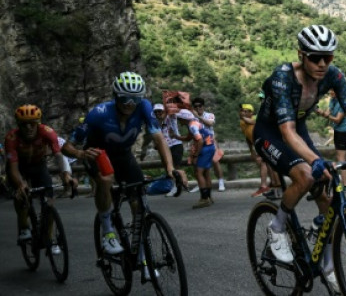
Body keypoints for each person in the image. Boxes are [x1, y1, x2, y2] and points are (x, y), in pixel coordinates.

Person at [252, 24, 346, 293]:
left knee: (327, 196)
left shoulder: (334, 76)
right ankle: (277, 226)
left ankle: (328, 268)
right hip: (271, 132)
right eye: (315, 57)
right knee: (305, 175)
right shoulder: (283, 78)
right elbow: (287, 132)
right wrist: (313, 160)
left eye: (328, 57)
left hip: (297, 129)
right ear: (301, 55)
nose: (321, 63)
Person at [63, 72, 178, 259]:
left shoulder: (144, 107)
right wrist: (79, 154)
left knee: (138, 200)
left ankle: (139, 248)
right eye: (124, 98)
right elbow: (67, 146)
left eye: (135, 99)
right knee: (105, 179)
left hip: (123, 154)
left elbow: (159, 137)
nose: (130, 103)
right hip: (97, 153)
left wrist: (170, 168)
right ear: (116, 95)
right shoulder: (98, 113)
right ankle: (107, 231)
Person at [5, 105, 73, 254]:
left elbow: (59, 156)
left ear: (38, 123)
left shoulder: (47, 132)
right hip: (19, 168)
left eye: (33, 123)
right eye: (24, 124)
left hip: (38, 166)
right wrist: (21, 184)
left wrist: (66, 174)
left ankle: (49, 239)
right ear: (18, 125)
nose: (29, 127)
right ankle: (24, 228)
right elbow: (14, 168)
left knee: (49, 202)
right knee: (21, 195)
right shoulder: (11, 138)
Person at [316, 89, 346, 192]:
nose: (331, 93)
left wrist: (327, 115)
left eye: (333, 91)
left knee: (341, 158)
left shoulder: (343, 101)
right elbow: (328, 113)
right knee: (342, 156)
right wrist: (320, 112)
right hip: (337, 130)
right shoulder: (332, 100)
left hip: (344, 131)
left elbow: (337, 119)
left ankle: (345, 185)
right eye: (329, 92)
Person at [181, 107, 217, 208]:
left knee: (198, 172)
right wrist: (175, 136)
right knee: (206, 173)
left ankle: (204, 199)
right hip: (210, 146)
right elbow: (189, 137)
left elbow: (200, 141)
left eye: (180, 119)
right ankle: (209, 197)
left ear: (184, 119)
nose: (179, 121)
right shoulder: (193, 123)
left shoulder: (192, 126)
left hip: (205, 147)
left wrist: (196, 155)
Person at [241, 103, 275, 197]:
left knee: (264, 162)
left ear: (251, 113)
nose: (242, 112)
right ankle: (273, 183)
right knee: (266, 163)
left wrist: (243, 117)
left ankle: (264, 186)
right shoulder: (242, 123)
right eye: (242, 111)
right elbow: (247, 137)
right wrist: (251, 151)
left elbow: (252, 122)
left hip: (266, 141)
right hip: (258, 144)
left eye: (245, 111)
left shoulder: (256, 117)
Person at [192, 97, 226, 192]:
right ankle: (201, 184)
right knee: (198, 163)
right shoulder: (192, 117)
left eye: (200, 106)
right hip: (199, 142)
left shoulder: (209, 115)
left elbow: (210, 123)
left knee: (215, 161)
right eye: (196, 106)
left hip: (211, 141)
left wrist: (198, 117)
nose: (198, 108)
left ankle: (221, 182)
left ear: (203, 106)